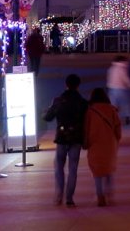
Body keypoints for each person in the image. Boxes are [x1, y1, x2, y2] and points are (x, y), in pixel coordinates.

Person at [43, 73, 89, 207]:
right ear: (78, 85)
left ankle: (59, 194)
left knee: (59, 166)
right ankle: (69, 198)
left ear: (66, 84)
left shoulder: (58, 100)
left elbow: (48, 117)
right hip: (76, 138)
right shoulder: (82, 102)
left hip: (62, 137)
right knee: (73, 168)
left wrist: (46, 110)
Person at [84, 86, 122, 206]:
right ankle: (109, 194)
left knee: (97, 171)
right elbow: (118, 127)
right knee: (109, 169)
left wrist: (85, 142)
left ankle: (100, 196)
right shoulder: (112, 110)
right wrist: (117, 139)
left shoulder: (90, 111)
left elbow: (86, 128)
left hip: (94, 144)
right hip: (109, 144)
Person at [106, 55, 130, 124]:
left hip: (111, 89)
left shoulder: (111, 68)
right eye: (126, 61)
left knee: (113, 105)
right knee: (125, 104)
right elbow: (125, 79)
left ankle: (113, 119)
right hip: (121, 89)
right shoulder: (122, 69)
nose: (127, 63)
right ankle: (127, 118)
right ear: (122, 61)